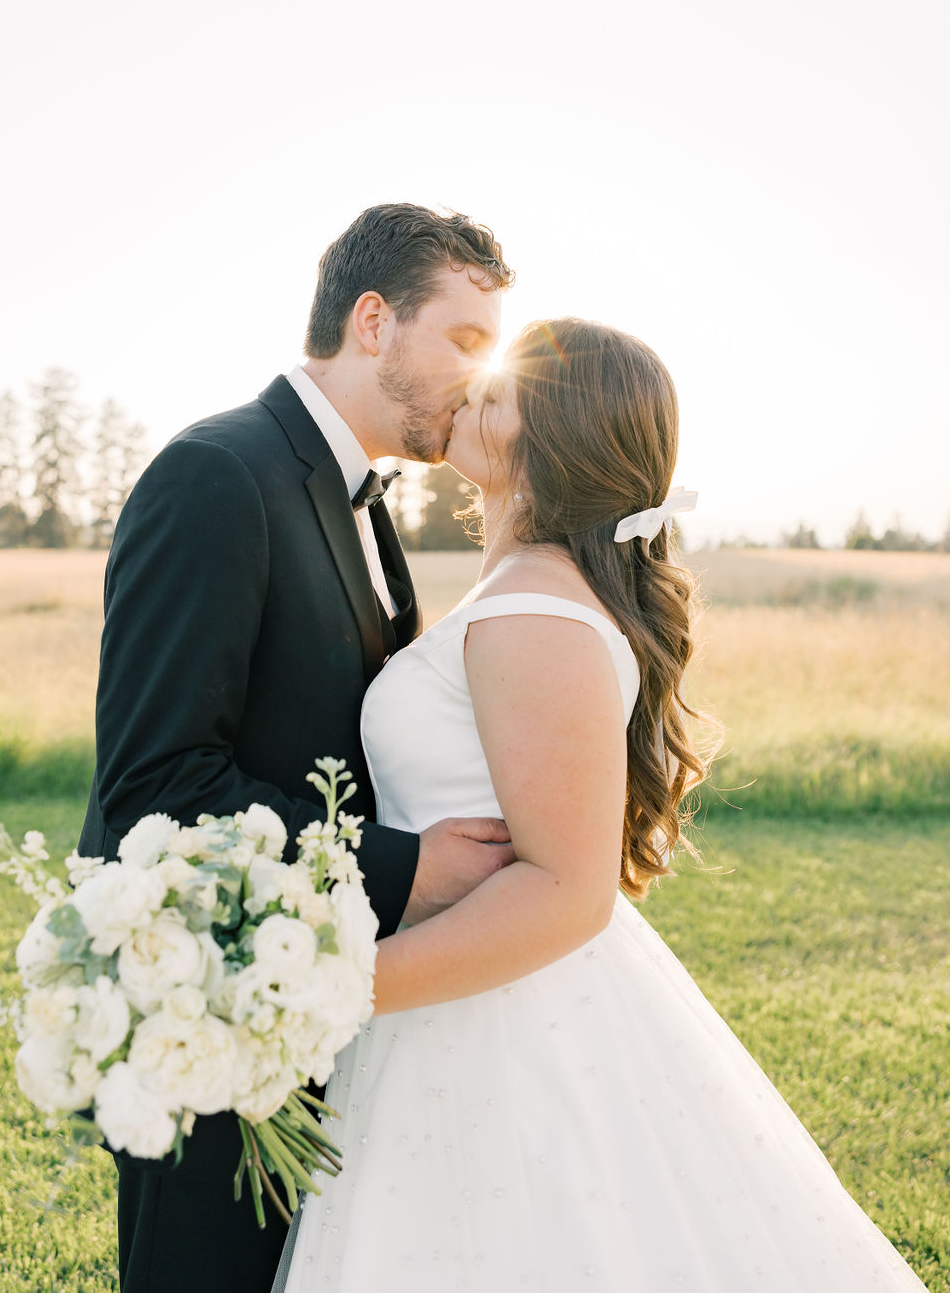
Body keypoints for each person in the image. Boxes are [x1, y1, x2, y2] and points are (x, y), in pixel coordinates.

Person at [281, 318, 927, 1292]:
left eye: (498, 393)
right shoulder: (521, 590)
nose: (469, 393)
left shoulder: (535, 614)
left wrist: (338, 989)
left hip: (500, 1016)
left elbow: (566, 890)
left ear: (554, 445)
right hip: (457, 988)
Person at [77, 202, 517, 1293]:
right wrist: (410, 870)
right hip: (207, 1014)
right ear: (372, 321)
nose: (480, 373)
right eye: (464, 339)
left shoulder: (369, 506)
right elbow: (156, 788)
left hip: (309, 1008)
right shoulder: (217, 476)